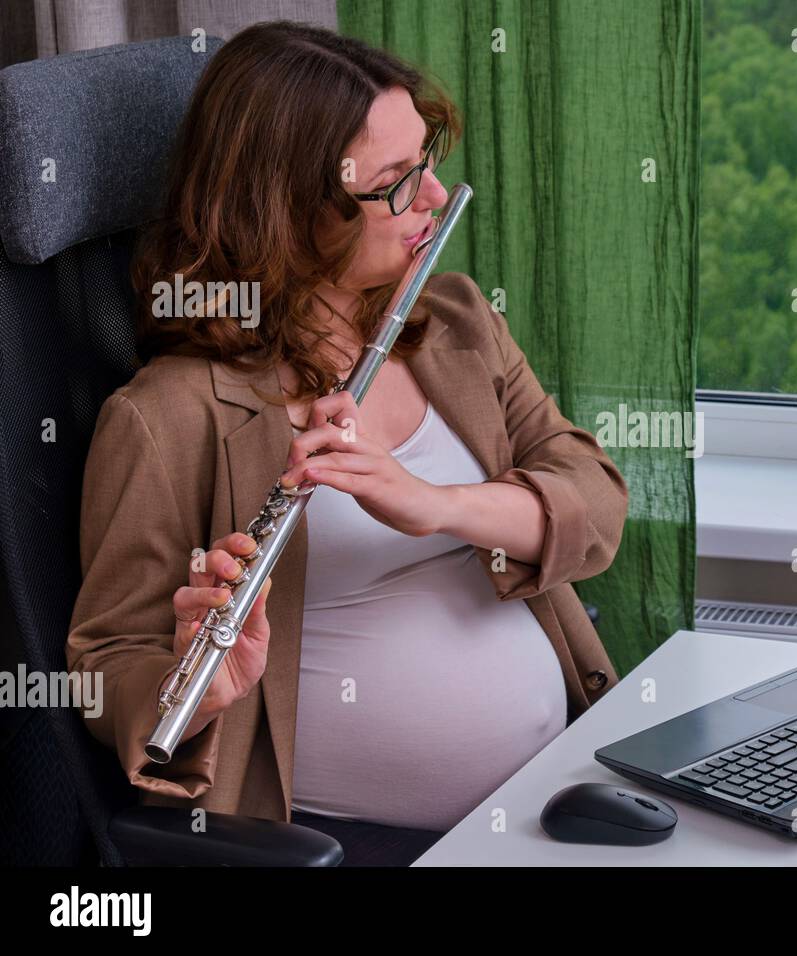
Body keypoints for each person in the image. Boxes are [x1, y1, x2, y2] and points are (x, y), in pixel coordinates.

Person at [65, 20, 628, 843]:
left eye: (426, 164)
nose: (433, 198)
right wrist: (196, 686)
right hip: (349, 842)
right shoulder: (167, 417)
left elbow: (597, 504)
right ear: (290, 210)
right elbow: (104, 663)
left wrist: (438, 505)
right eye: (397, 182)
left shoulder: (459, 321)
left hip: (557, 791)